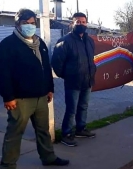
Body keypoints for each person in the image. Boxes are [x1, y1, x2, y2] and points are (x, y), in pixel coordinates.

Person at [0, 8, 69, 168]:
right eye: (26, 23)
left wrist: (49, 88)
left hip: (41, 97)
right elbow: (3, 74)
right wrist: (8, 97)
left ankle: (48, 157)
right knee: (15, 133)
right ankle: (8, 165)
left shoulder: (40, 43)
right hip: (20, 99)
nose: (30, 26)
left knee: (43, 131)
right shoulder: (7, 45)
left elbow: (46, 68)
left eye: (32, 23)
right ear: (17, 24)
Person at [51, 12, 96, 147]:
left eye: (83, 22)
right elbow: (56, 63)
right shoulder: (64, 41)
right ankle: (67, 134)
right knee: (71, 109)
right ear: (72, 23)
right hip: (73, 82)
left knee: (83, 106)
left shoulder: (89, 41)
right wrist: (67, 75)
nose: (81, 24)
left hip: (87, 81)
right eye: (78, 22)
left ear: (86, 23)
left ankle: (80, 129)